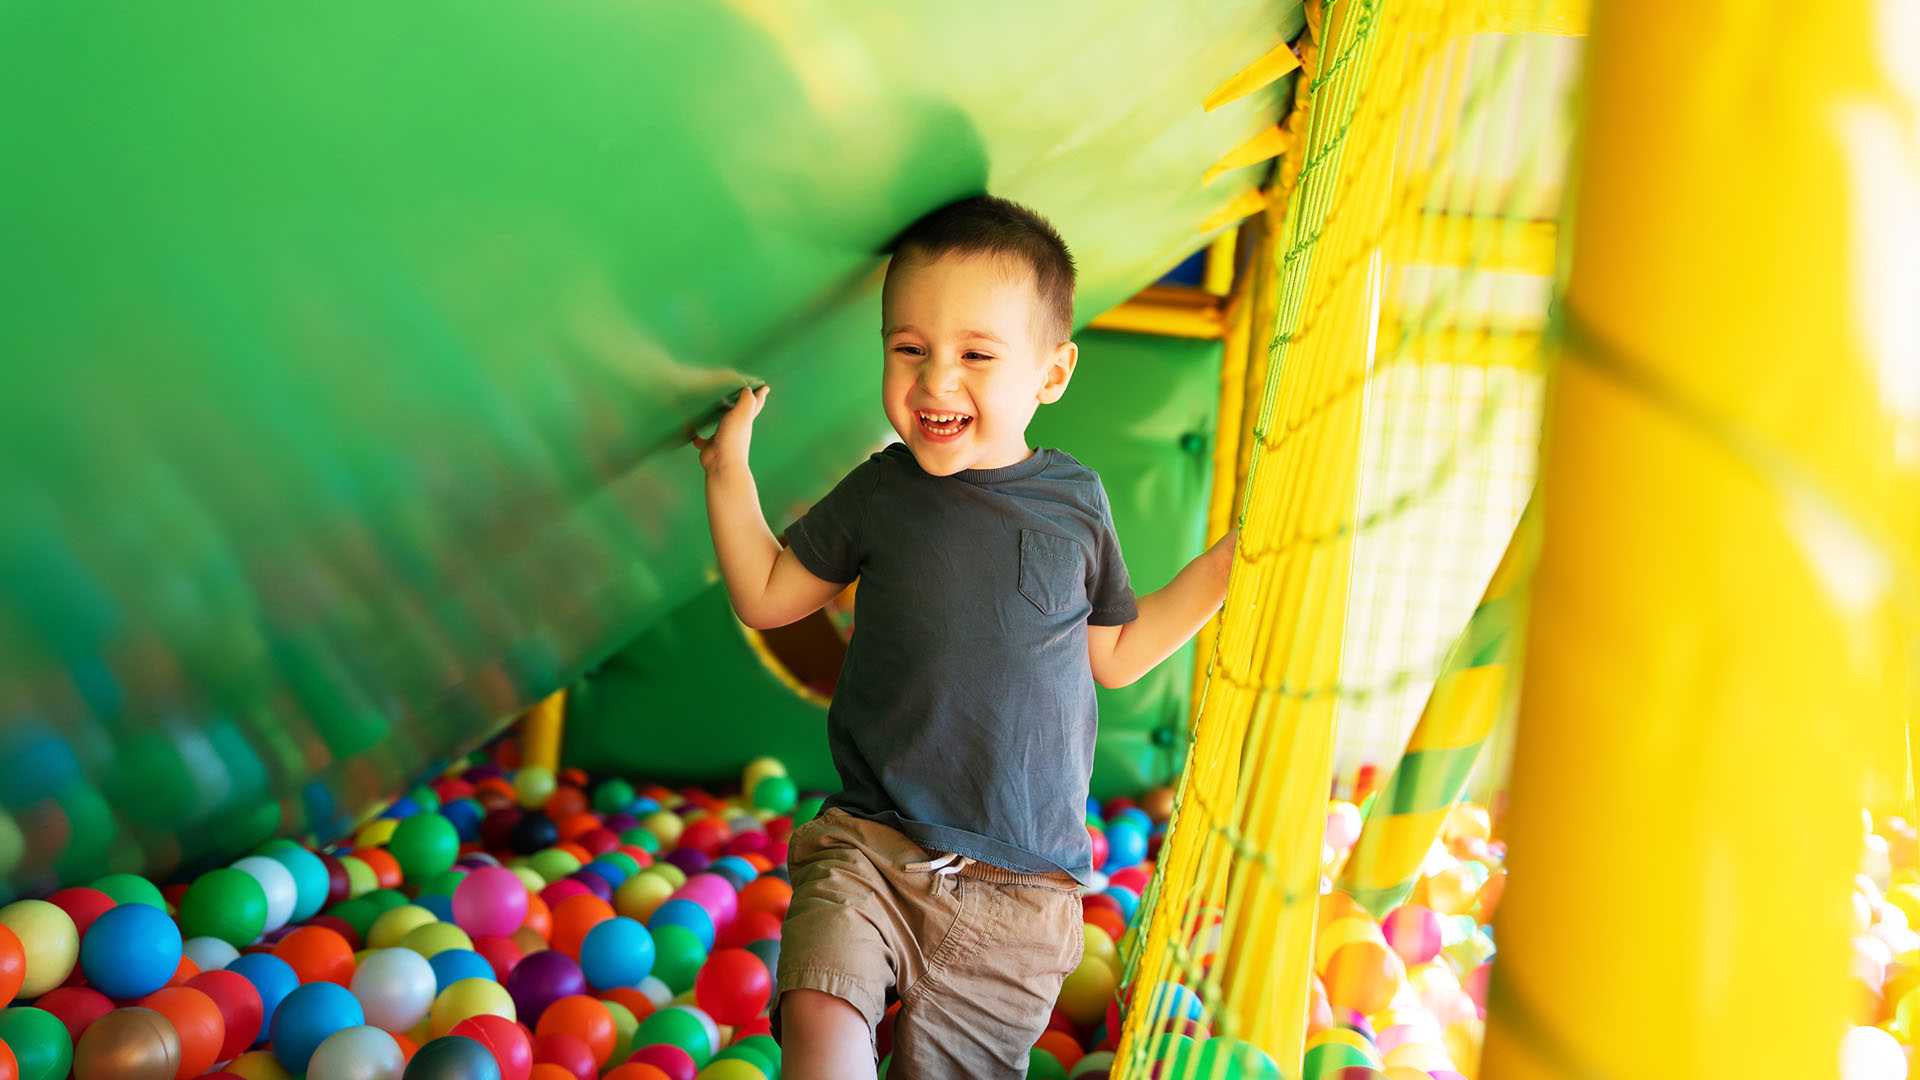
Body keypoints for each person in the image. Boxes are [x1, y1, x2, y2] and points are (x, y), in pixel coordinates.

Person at [694, 194, 1235, 1079]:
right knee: (822, 1017)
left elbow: (1118, 653)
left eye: (975, 355)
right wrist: (730, 470)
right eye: (909, 350)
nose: (936, 381)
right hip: (872, 844)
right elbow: (763, 593)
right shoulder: (883, 491)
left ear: (1050, 374)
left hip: (1021, 892)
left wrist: (1222, 570)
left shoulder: (1075, 503)